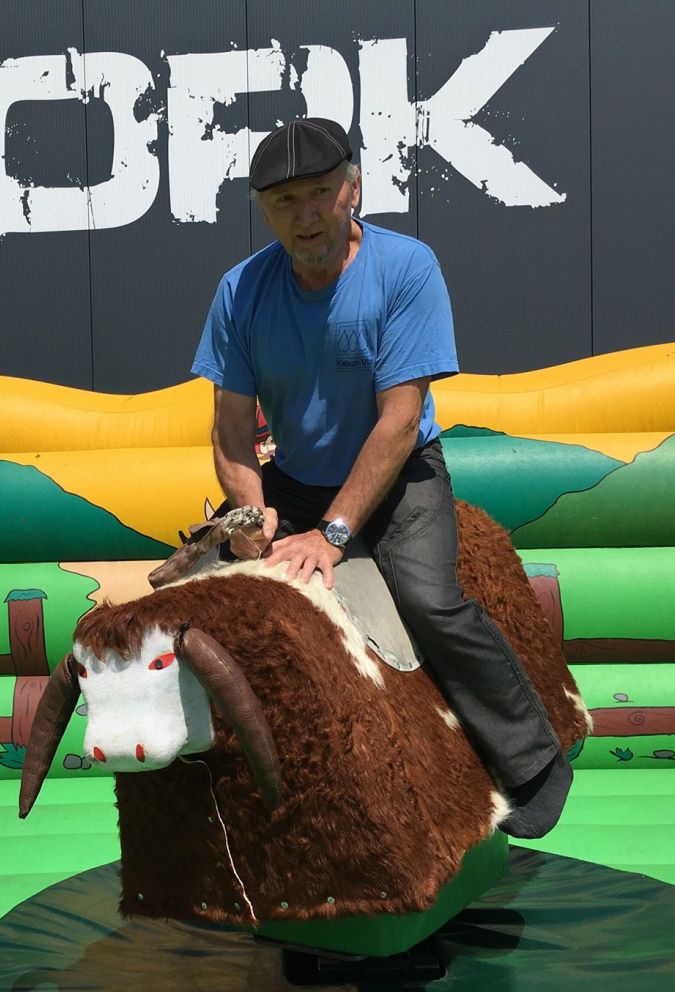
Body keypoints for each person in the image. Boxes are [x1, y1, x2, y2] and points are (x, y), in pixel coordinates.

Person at [189, 117, 572, 837]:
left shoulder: (408, 267)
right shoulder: (239, 291)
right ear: (263, 211)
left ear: (354, 188)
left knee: (429, 600)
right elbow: (231, 429)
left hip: (401, 477)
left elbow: (399, 421)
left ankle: (534, 763)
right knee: (213, 598)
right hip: (292, 477)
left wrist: (332, 535)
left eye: (320, 192)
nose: (305, 214)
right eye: (284, 201)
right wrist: (250, 514)